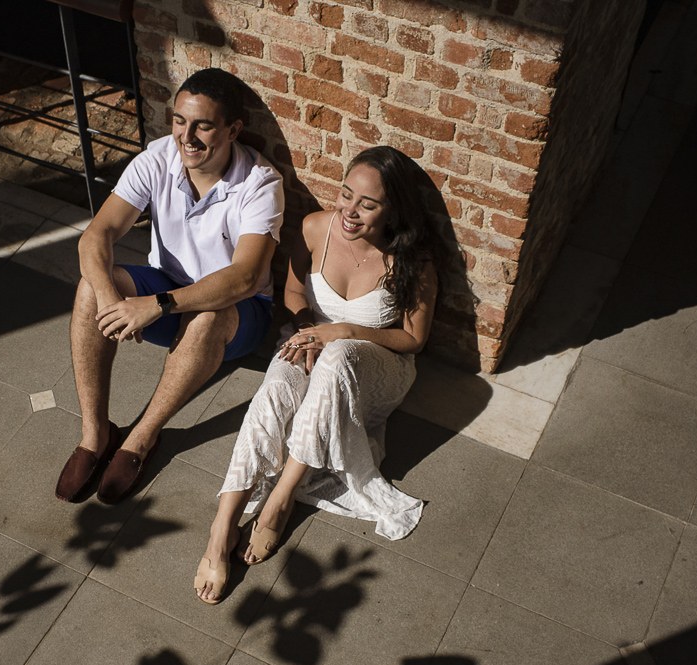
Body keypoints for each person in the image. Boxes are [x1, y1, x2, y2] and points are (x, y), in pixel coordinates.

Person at [195, 146, 439, 604]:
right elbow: (291, 289)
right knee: (274, 390)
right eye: (346, 195)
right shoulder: (314, 228)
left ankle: (282, 498)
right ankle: (222, 525)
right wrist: (311, 330)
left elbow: (413, 340)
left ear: (393, 210)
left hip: (375, 370)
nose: (350, 210)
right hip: (312, 341)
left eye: (368, 205)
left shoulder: (414, 262)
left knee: (339, 355)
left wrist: (343, 331)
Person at [55, 68, 284, 505]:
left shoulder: (260, 184)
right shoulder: (157, 158)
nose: (187, 136)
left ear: (233, 129)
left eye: (203, 125)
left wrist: (157, 306)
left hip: (241, 311)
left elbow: (243, 277)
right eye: (180, 121)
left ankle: (141, 439)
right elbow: (95, 236)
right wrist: (109, 299)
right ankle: (96, 434)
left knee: (207, 317)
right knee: (90, 286)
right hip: (170, 286)